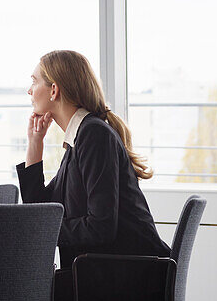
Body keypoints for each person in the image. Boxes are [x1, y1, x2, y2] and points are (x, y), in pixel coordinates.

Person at [17, 49, 169, 300]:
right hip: (109, 273)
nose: (29, 90)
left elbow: (101, 227)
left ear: (54, 90)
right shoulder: (80, 139)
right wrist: (35, 144)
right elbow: (41, 211)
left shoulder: (94, 135)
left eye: (34, 81)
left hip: (131, 277)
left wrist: (46, 229)